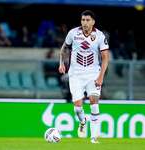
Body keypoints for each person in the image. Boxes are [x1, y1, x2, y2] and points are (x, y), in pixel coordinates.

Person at [58, 10, 109, 143]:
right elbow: (63, 49)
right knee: (78, 108)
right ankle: (82, 121)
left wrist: (100, 77)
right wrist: (61, 63)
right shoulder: (73, 33)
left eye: (87, 20)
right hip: (76, 74)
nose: (85, 23)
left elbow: (105, 58)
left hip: (93, 73)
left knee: (94, 103)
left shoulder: (99, 36)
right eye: (83, 20)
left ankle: (93, 137)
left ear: (93, 22)